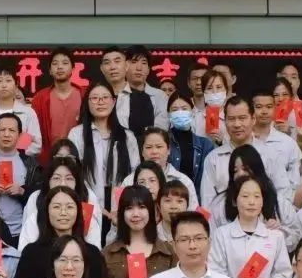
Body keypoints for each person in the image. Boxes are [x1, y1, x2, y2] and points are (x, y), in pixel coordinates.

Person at [12, 186, 111, 278]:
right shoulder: (31, 252)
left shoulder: (91, 253)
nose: (63, 212)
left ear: (78, 212)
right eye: (56, 207)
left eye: (69, 207)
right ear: (46, 211)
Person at [69, 81, 139, 234]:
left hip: (121, 202)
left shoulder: (127, 136)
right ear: (87, 103)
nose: (100, 102)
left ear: (113, 102)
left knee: (118, 243)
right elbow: (73, 172)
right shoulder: (77, 134)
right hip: (87, 200)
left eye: (105, 97)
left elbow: (134, 173)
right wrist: (91, 201)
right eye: (94, 98)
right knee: (89, 240)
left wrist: (121, 204)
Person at [18, 156, 105, 251]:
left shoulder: (88, 217)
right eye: (56, 178)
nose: (63, 183)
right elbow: (25, 251)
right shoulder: (35, 217)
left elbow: (94, 252)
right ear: (48, 182)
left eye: (69, 178)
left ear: (77, 183)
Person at [31, 49, 84, 165]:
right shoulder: (39, 98)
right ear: (50, 70)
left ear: (73, 69)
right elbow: (30, 130)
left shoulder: (84, 95)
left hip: (79, 158)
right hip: (49, 160)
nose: (60, 67)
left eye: (65, 63)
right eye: (55, 63)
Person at [126, 127, 198, 209]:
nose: (154, 151)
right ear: (142, 151)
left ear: (169, 150)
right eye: (149, 147)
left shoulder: (184, 181)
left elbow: (193, 213)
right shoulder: (129, 181)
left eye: (159, 147)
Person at [249, 85, 302, 193]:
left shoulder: (288, 142)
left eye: (269, 107)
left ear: (275, 108)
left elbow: (296, 179)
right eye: (259, 107)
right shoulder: (244, 140)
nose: (264, 111)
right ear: (250, 110)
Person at [166, 94, 216, 191]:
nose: (180, 113)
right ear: (169, 114)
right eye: (175, 110)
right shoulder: (162, 142)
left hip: (196, 197)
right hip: (169, 196)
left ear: (192, 112)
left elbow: (208, 180)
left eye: (184, 109)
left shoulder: (205, 145)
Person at [120, 46, 169, 132]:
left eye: (144, 63)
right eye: (134, 62)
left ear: (148, 70)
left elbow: (161, 128)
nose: (139, 68)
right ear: (125, 66)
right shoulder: (117, 94)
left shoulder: (160, 96)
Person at [193, 69, 233, 145]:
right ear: (203, 92)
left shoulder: (233, 117)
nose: (215, 92)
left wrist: (222, 141)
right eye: (209, 88)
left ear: (226, 90)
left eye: (219, 87)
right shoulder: (196, 119)